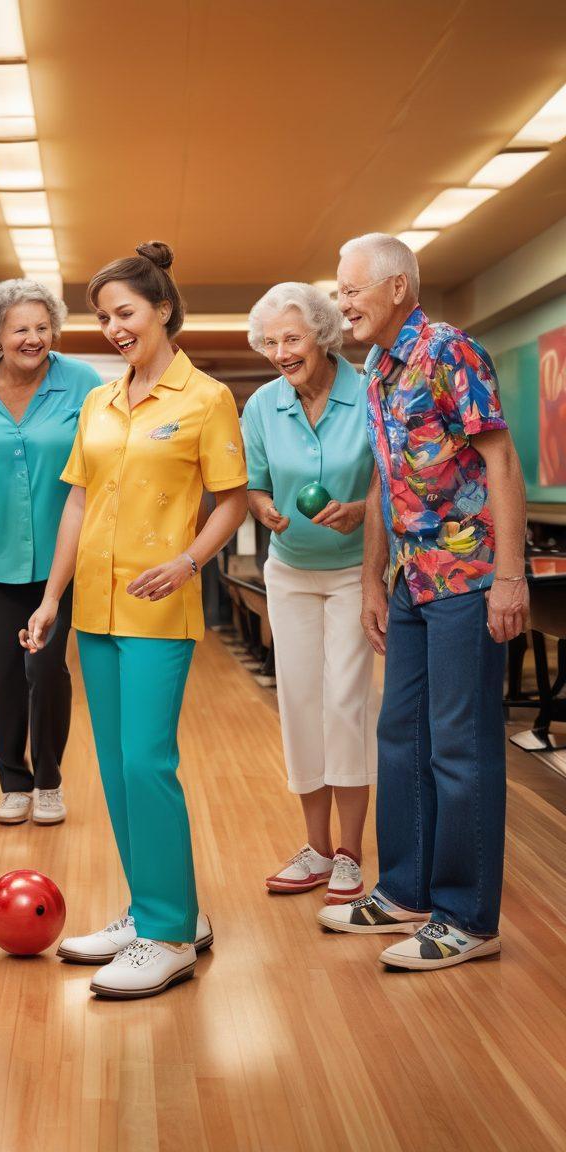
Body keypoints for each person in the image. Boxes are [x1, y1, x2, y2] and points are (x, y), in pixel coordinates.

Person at [21, 242, 248, 999]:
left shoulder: (205, 399)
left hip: (160, 608)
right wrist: (51, 597)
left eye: (126, 313)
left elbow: (233, 502)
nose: (115, 328)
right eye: (104, 317)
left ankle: (168, 936)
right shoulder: (98, 400)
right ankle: (158, 908)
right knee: (116, 772)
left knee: (148, 764)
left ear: (163, 310)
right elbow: (77, 505)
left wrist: (189, 562)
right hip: (93, 606)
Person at [319, 233, 529, 971]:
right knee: (400, 734)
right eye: (340, 291)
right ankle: (405, 889)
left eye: (352, 290)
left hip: (469, 577)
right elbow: (385, 478)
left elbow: (501, 458)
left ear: (398, 288)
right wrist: (373, 577)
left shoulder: (449, 351)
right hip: (411, 578)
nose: (342, 303)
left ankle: (469, 917)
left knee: (459, 745)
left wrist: (510, 577)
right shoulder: (377, 368)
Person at [242, 283, 378, 903]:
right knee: (298, 701)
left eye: (291, 339)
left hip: (356, 570)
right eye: (269, 342)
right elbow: (254, 484)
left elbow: (387, 483)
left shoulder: (368, 391)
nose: (279, 352)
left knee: (346, 702)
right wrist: (264, 507)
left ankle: (351, 851)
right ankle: (316, 849)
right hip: (290, 571)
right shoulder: (264, 406)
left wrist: (357, 512)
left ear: (323, 335)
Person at [0, 279, 100, 825]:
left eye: (43, 327)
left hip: (62, 558)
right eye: (20, 328)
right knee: (3, 673)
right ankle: (12, 783)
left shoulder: (82, 382)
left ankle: (48, 778)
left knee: (44, 668)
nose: (34, 338)